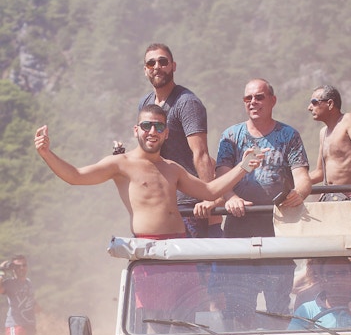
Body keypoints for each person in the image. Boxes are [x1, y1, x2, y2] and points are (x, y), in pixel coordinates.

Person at [34, 104, 263, 238]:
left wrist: (242, 167)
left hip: (180, 245)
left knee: (187, 319)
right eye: (146, 126)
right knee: (153, 320)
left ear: (166, 134)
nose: (152, 131)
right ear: (136, 130)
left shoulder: (173, 168)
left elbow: (210, 191)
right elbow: (76, 176)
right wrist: (46, 153)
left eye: (159, 126)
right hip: (149, 250)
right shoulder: (120, 164)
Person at [202, 78, 312, 238]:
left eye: (259, 97)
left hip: (280, 223)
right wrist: (231, 198)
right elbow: (221, 177)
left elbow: (302, 177)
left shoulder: (289, 135)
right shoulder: (230, 136)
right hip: (239, 222)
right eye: (248, 98)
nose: (253, 102)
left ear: (273, 101)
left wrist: (299, 193)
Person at [138, 42, 221, 237]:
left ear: (173, 66)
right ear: (145, 70)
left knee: (194, 264)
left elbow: (200, 154)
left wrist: (209, 199)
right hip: (160, 201)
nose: (157, 67)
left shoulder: (187, 103)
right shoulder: (145, 103)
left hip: (189, 203)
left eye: (162, 61)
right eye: (151, 63)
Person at [307, 85, 351, 195]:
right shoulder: (323, 132)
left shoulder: (349, 120)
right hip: (329, 196)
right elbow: (320, 173)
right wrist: (295, 181)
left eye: (314, 102)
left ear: (330, 103)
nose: (309, 107)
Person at [289, 257, 351, 330]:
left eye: (343, 273)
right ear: (322, 281)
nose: (337, 279)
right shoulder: (307, 311)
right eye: (330, 274)